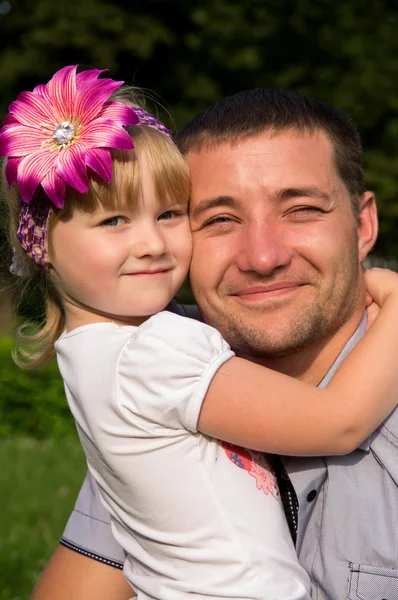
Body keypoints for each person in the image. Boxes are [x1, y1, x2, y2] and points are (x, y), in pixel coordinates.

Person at [11, 78, 394, 599]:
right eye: (219, 219)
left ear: (363, 225)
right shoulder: (171, 394)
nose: (264, 257)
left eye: (301, 209)